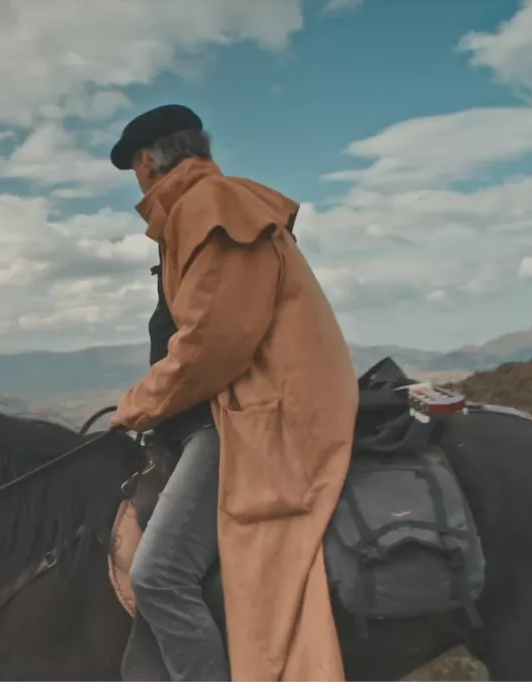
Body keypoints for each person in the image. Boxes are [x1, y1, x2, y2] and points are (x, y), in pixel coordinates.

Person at [107, 104, 357, 682]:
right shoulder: (198, 208)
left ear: (145, 161)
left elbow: (212, 345)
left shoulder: (211, 206)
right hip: (230, 402)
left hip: (256, 409)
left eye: (134, 167)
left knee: (158, 576)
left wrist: (135, 408)